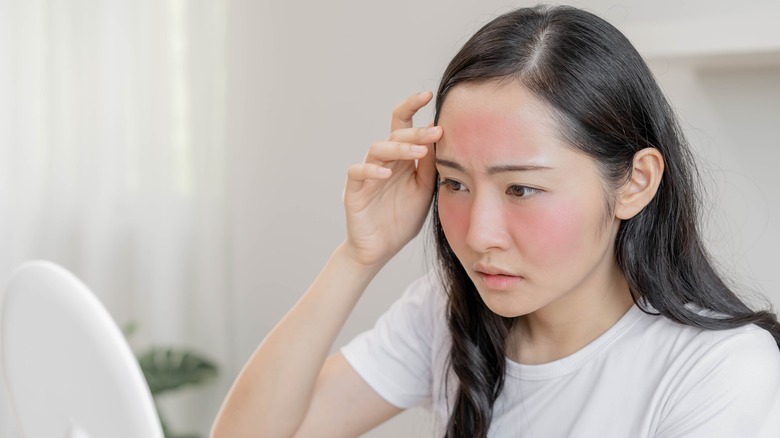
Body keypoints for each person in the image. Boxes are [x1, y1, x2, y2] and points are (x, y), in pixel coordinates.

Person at [212, 5, 780, 437]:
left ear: (634, 182)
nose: (479, 233)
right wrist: (358, 257)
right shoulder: (445, 310)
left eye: (522, 188)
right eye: (455, 182)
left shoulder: (721, 370)